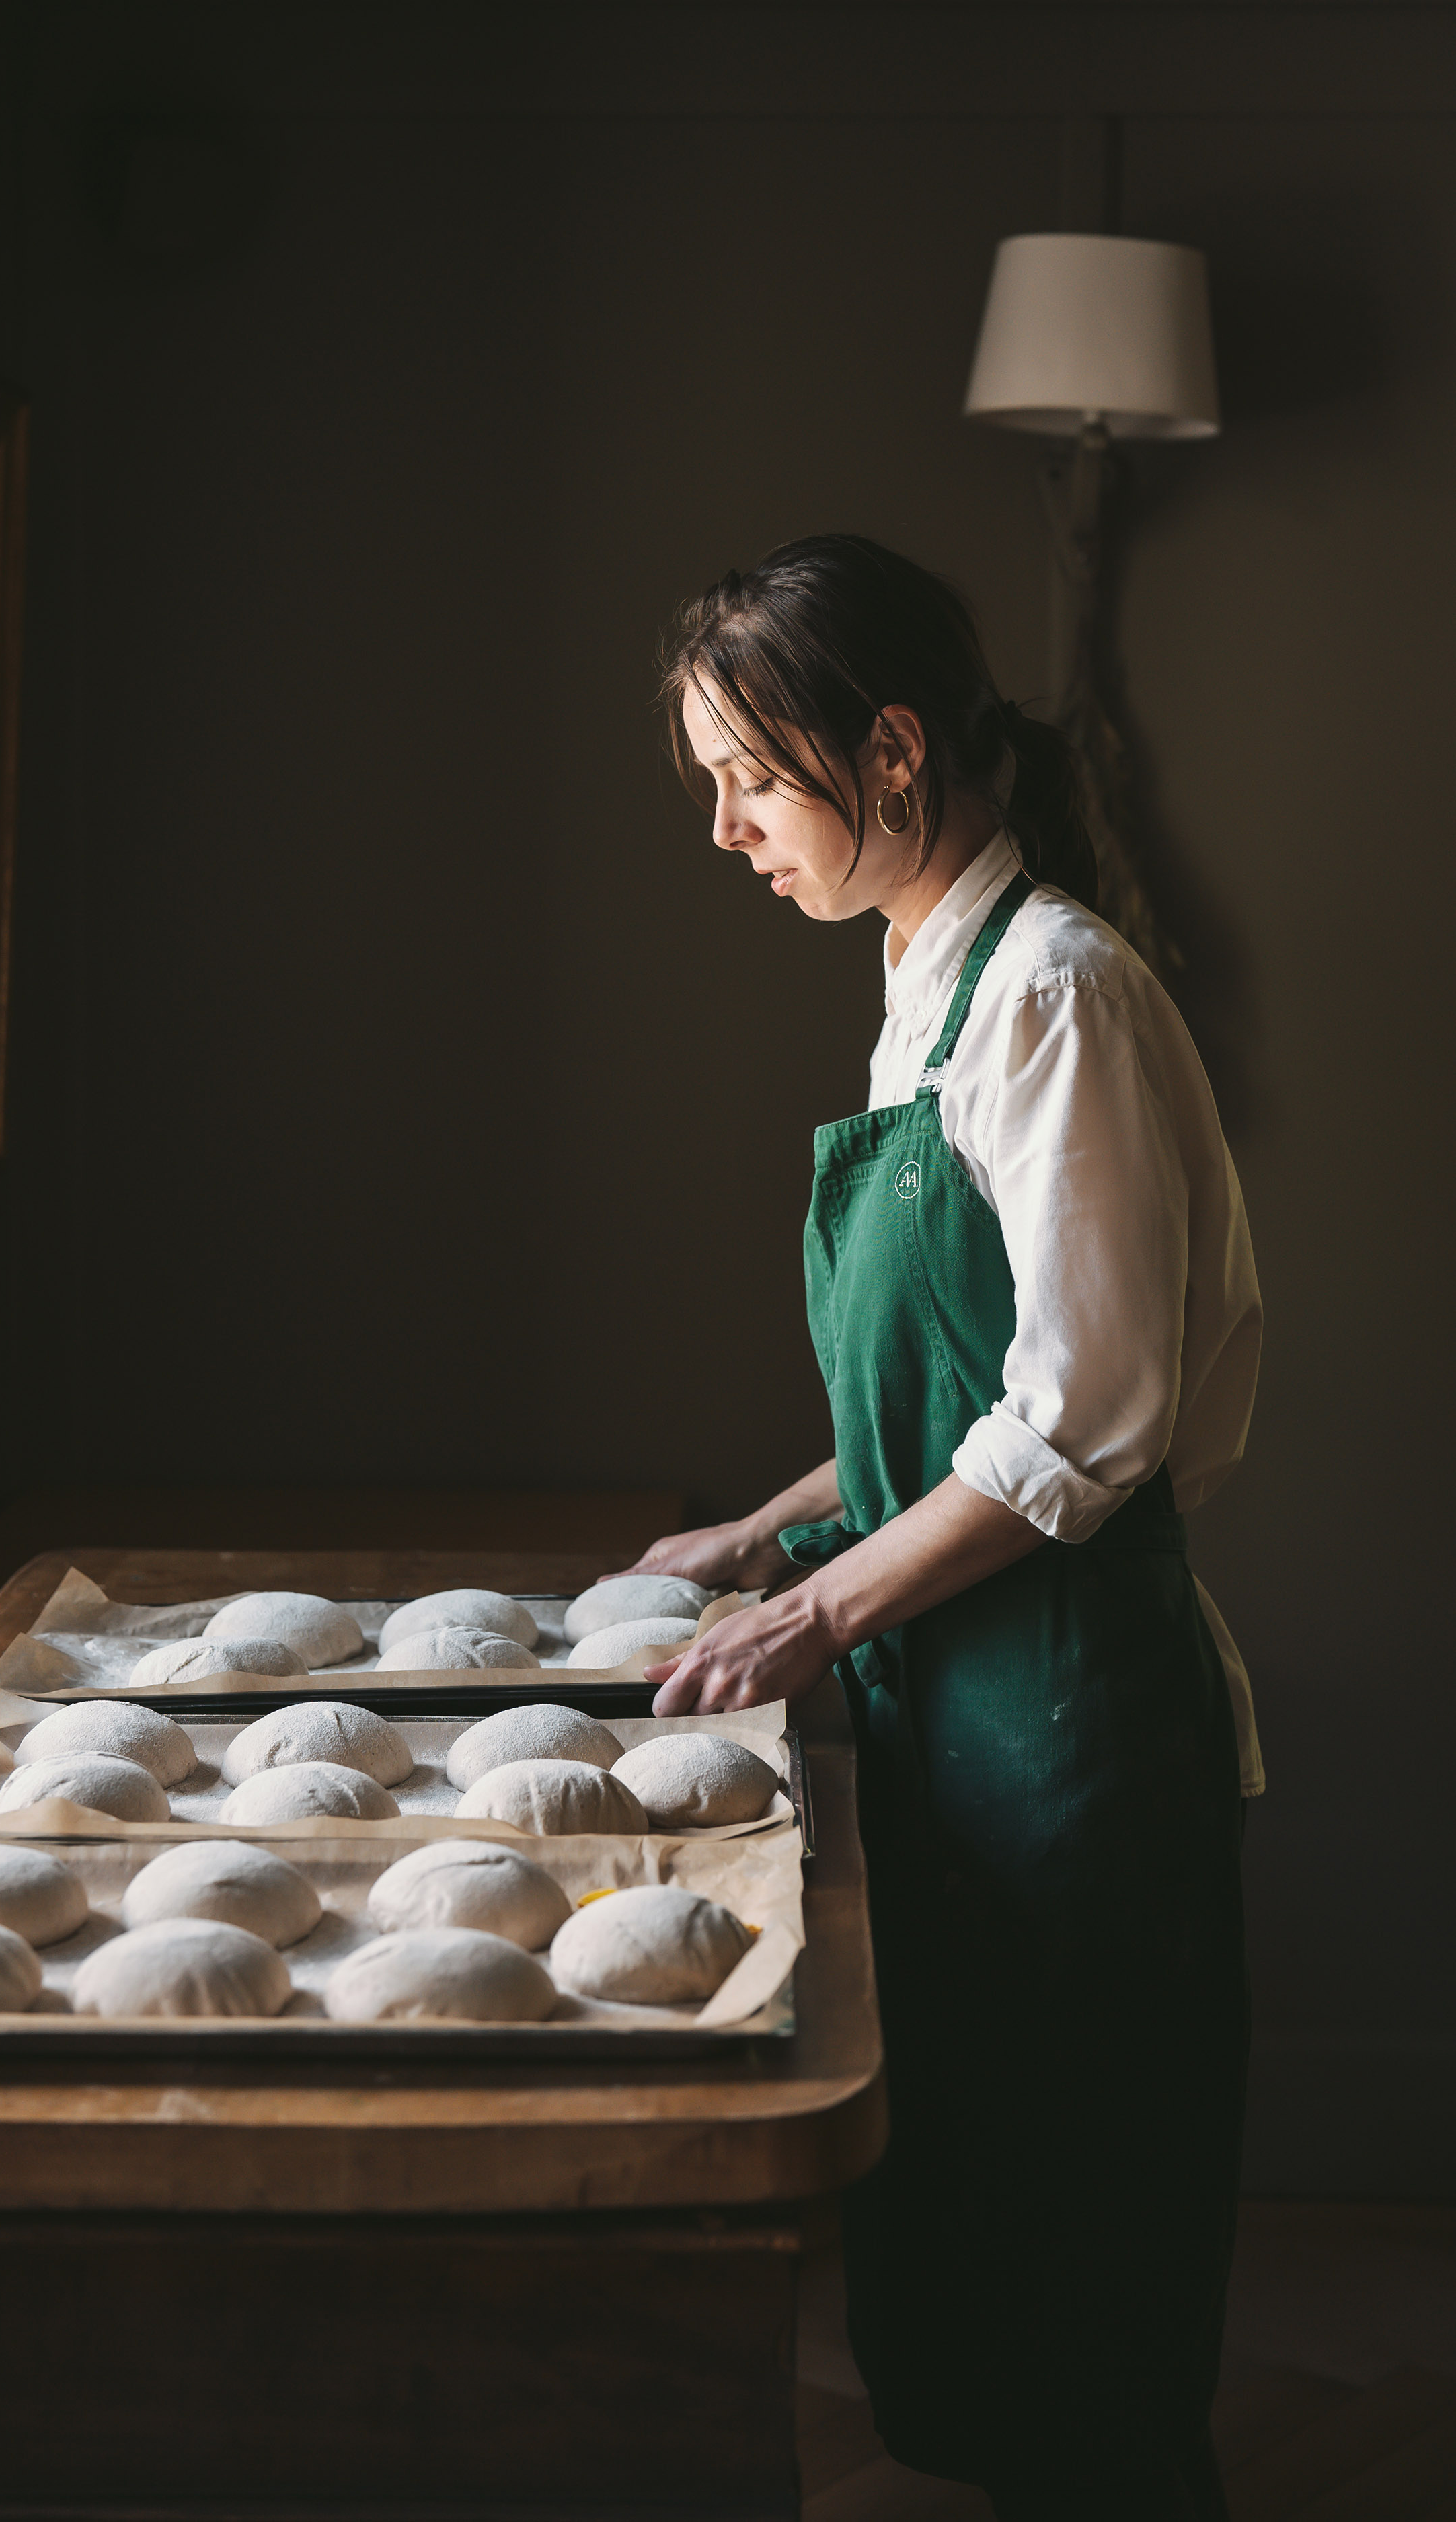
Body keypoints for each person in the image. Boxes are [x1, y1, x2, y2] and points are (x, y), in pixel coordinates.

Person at [621, 535, 1262, 2521]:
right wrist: (764, 1522)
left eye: (749, 777)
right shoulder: (922, 981)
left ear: (887, 752)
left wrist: (808, 1619)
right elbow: (965, 1389)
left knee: (1084, 2274)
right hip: (948, 1715)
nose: (724, 831)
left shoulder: (1055, 994)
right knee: (972, 2233)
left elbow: (1082, 1419)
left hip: (1068, 1738)